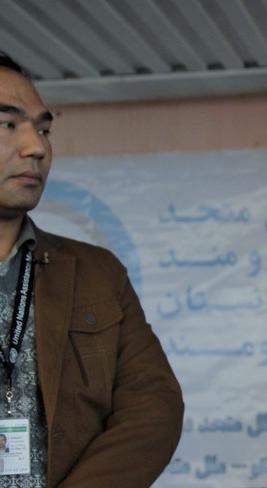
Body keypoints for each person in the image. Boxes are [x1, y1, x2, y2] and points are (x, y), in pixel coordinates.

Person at [0, 53, 183, 486]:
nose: (36, 148)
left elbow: (154, 407)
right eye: (8, 124)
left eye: (43, 129)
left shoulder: (96, 273)